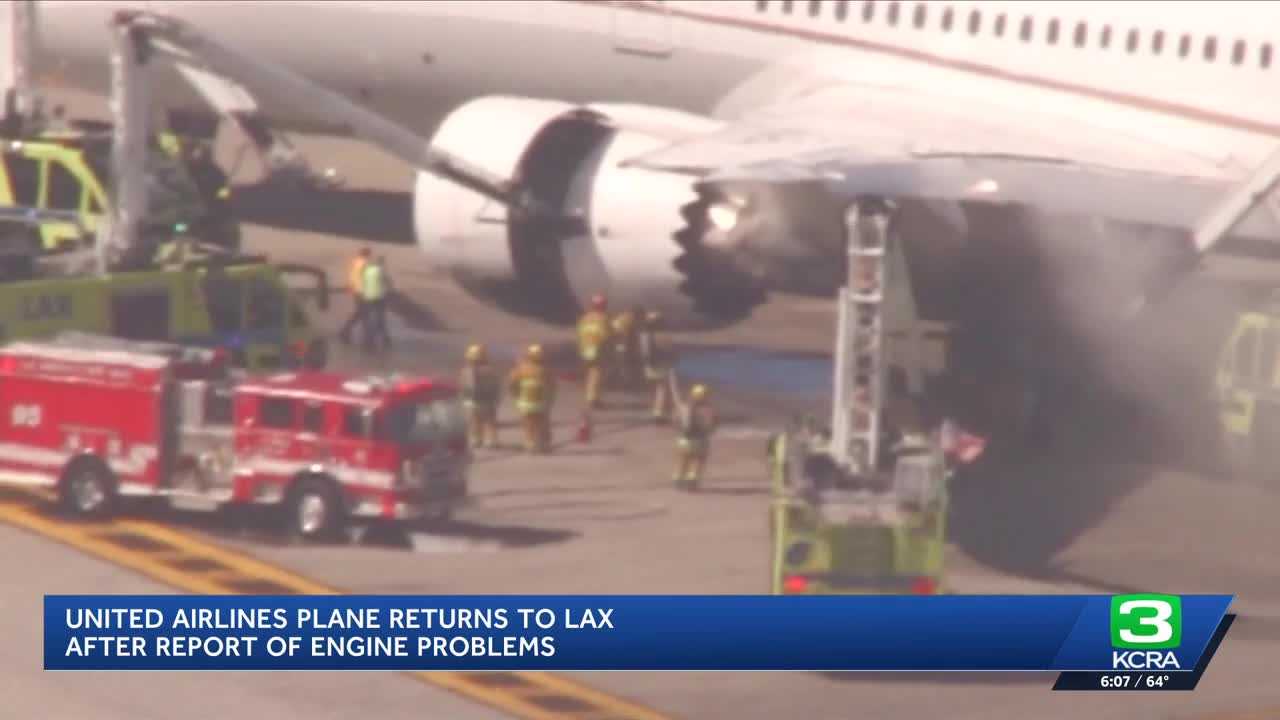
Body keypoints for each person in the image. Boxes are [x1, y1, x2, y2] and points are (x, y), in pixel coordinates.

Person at [508, 344, 556, 453]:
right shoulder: (545, 370)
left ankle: (530, 443)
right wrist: (550, 399)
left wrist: (516, 396)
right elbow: (552, 386)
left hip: (525, 402)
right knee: (542, 422)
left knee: (528, 424)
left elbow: (512, 384)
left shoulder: (520, 369)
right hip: (541, 402)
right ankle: (543, 443)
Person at [671, 382, 717, 490]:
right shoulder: (708, 410)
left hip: (683, 441)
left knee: (682, 461)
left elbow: (675, 421)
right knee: (698, 460)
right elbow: (712, 426)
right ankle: (692, 479)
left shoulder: (683, 407)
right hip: (699, 441)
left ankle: (678, 478)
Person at [459, 343, 501, 449]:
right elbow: (496, 386)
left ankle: (477, 439)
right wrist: (496, 399)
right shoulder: (490, 370)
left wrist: (463, 397)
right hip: (485, 401)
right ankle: (490, 440)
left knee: (476, 421)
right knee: (488, 421)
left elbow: (463, 386)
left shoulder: (466, 371)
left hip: (473, 401)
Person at [576, 294, 611, 410]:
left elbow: (580, 333)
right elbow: (606, 335)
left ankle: (591, 396)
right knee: (596, 373)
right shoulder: (603, 318)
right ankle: (593, 399)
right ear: (603, 306)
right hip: (597, 348)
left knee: (591, 372)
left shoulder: (585, 318)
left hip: (585, 348)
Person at [638, 309, 672, 423]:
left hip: (648, 365)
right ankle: (658, 413)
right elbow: (670, 350)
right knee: (661, 388)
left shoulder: (644, 335)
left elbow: (643, 351)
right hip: (661, 364)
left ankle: (655, 409)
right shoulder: (664, 335)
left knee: (653, 387)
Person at [338, 248, 371, 345]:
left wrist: (350, 286)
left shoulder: (355, 262)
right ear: (367, 254)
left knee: (361, 312)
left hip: (356, 290)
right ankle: (348, 330)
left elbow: (352, 276)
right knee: (363, 312)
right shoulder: (365, 264)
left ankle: (347, 330)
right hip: (363, 291)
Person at [361, 255, 392, 353]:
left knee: (371, 317)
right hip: (379, 296)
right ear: (381, 263)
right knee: (380, 316)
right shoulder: (380, 270)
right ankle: (383, 337)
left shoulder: (367, 271)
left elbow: (363, 282)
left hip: (368, 296)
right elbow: (387, 282)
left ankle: (370, 338)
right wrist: (389, 288)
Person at [611, 305, 642, 388]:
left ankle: (622, 382)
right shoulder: (630, 321)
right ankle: (626, 383)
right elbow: (627, 336)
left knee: (622, 365)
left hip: (619, 346)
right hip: (623, 347)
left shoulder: (622, 318)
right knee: (625, 365)